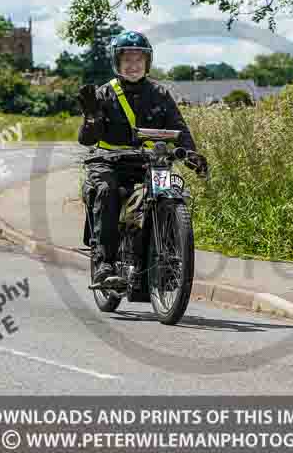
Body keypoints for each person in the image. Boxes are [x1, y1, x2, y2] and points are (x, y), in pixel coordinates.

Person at [77, 30, 206, 289]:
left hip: (149, 161)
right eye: (127, 60)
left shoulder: (160, 93)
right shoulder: (104, 94)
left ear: (147, 63)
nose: (133, 65)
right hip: (109, 161)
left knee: (169, 193)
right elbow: (87, 140)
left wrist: (191, 154)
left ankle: (166, 259)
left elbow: (179, 128)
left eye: (139, 60)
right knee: (107, 190)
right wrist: (91, 118)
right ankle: (105, 265)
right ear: (117, 63)